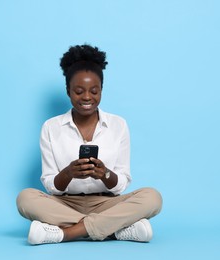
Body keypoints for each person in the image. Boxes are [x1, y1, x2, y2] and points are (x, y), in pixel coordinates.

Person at [16, 44, 162, 245]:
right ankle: (117, 230)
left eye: (94, 91)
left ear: (101, 90)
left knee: (152, 197)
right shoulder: (51, 127)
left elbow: (121, 182)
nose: (87, 97)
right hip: (65, 203)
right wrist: (68, 173)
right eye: (78, 91)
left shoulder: (118, 125)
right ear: (68, 91)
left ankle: (65, 233)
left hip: (106, 203)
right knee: (25, 198)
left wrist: (105, 174)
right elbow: (50, 185)